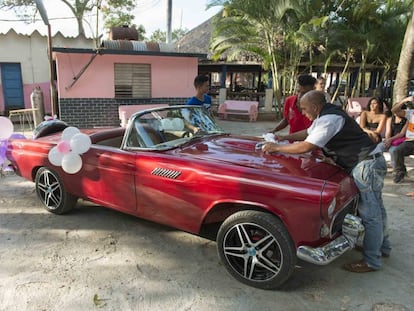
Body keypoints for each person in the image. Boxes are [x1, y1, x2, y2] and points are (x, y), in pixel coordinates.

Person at [262, 90, 390, 273]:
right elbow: (308, 132)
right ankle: (381, 247)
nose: (304, 113)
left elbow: (308, 145)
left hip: (366, 165)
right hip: (369, 161)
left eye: (305, 109)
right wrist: (284, 137)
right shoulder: (327, 114)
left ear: (315, 107)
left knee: (370, 214)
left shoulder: (329, 119)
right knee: (377, 208)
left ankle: (372, 261)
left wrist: (277, 147)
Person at [390, 95, 414, 183]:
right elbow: (394, 110)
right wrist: (404, 100)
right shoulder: (411, 113)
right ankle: (400, 172)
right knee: (397, 151)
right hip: (410, 142)